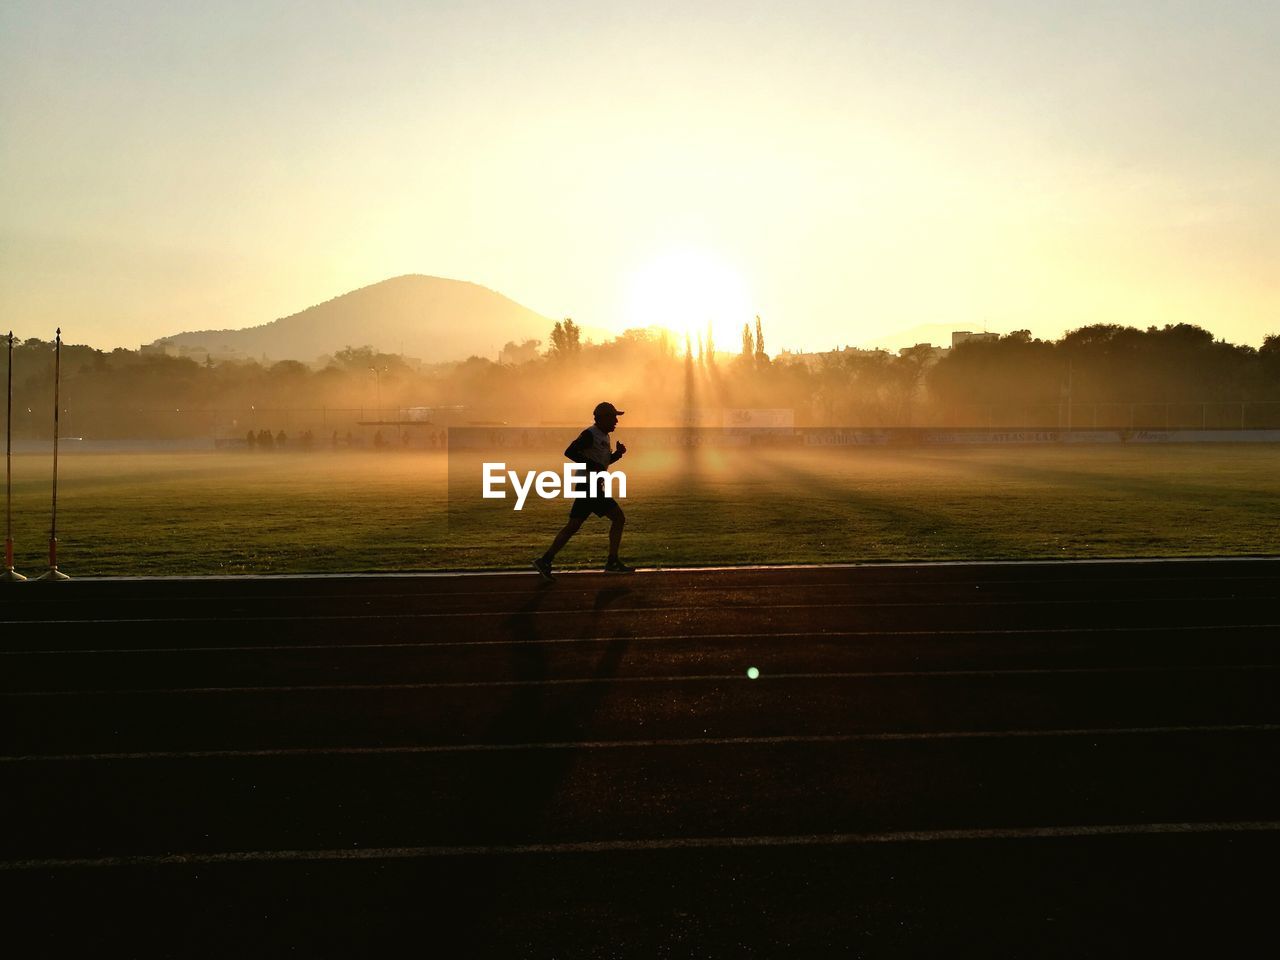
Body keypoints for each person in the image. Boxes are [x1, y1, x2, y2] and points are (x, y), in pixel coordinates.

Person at [533, 401, 634, 581]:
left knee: (573, 526)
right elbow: (570, 451)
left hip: (589, 485)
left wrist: (617, 455)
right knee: (618, 518)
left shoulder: (603, 436)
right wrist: (592, 465)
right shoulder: (590, 434)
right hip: (589, 486)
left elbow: (602, 464)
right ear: (602, 418)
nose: (616, 422)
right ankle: (612, 561)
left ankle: (545, 560)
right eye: (613, 417)